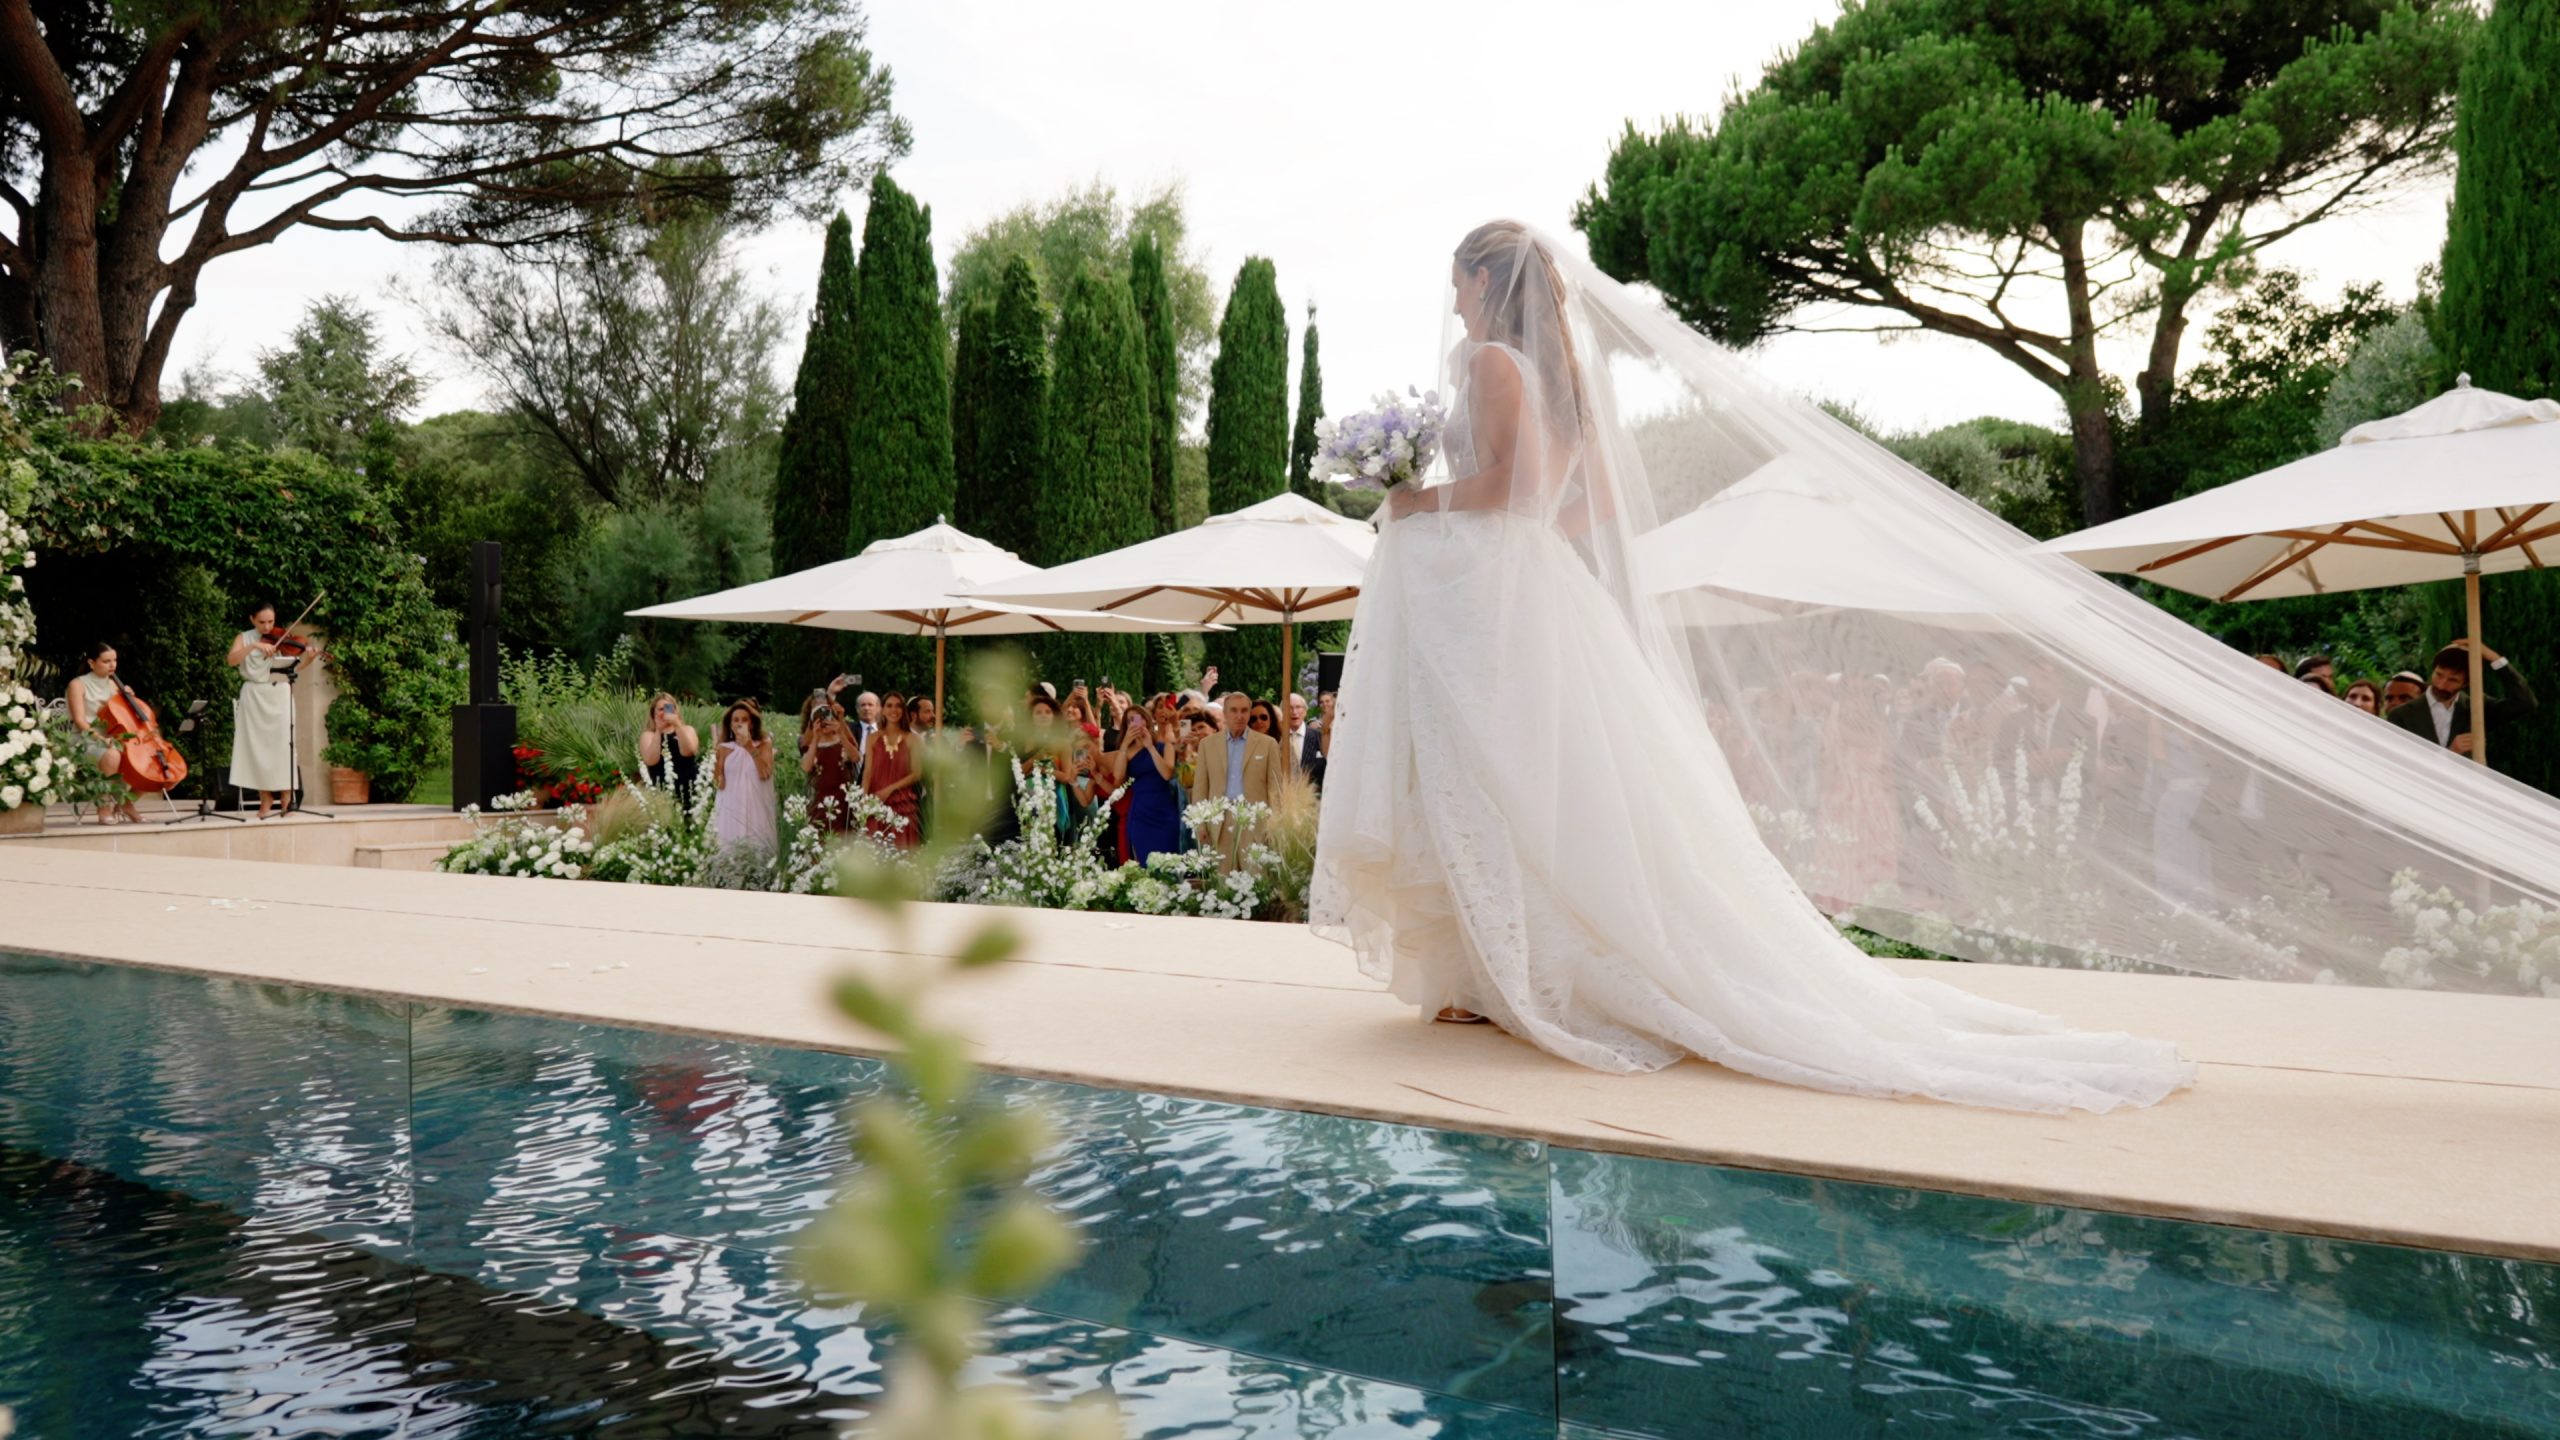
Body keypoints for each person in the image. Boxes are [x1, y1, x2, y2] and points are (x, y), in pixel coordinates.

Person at [1309, 220, 2192, 1114]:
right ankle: (1495, 970)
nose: (1452, 298)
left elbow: (1519, 488)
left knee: (1497, 772)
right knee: (1531, 777)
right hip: (1533, 588)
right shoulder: (1558, 377)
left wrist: (1419, 501)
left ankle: (1510, 973)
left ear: (1483, 279)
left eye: (1457, 280)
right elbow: (1589, 500)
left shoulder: (1492, 363)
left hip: (1501, 597)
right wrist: (1526, 543)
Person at [2387, 639, 2538, 756]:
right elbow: (2398, 763)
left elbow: (2524, 702)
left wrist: (2493, 658)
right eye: (2439, 675)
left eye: (2452, 680)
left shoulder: (2477, 708)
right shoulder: (2401, 715)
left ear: (2466, 683)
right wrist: (2451, 753)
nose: (2441, 685)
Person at [225, 601, 297, 819]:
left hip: (280, 694)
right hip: (254, 695)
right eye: (262, 622)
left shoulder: (281, 637)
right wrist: (254, 646)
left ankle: (287, 798)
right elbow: (231, 660)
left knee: (284, 745)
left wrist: (310, 657)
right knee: (258, 748)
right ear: (252, 619)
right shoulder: (244, 637)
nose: (267, 627)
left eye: (271, 622)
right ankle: (265, 798)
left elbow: (295, 667)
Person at [64, 642, 145, 825]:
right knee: (112, 754)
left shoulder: (115, 685)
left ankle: (127, 803)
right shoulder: (77, 685)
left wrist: (129, 700)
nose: (112, 665)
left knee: (149, 758)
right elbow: (80, 721)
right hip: (84, 739)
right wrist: (101, 739)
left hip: (112, 737)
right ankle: (104, 807)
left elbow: (122, 719)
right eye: (106, 661)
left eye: (114, 660)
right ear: (91, 663)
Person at [1119, 704, 1185, 862]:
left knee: (1170, 862)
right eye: (1130, 720)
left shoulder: (1165, 746)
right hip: (1140, 812)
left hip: (1164, 809)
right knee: (1144, 862)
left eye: (1139, 718)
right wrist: (1124, 744)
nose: (1135, 723)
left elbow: (1166, 774)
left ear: (1147, 721)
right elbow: (1118, 777)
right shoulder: (1127, 752)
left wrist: (1150, 747)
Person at [709, 700, 777, 853]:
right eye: (736, 720)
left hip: (756, 807)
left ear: (751, 724)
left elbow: (765, 774)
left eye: (744, 719)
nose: (740, 723)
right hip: (731, 807)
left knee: (757, 851)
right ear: (730, 724)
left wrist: (749, 746)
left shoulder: (764, 744)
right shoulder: (724, 748)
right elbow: (719, 784)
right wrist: (715, 759)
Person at [861, 692, 922, 848]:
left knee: (903, 849)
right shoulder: (872, 738)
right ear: (882, 709)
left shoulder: (913, 739)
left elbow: (917, 773)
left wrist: (889, 789)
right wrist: (862, 801)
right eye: (889, 705)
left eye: (898, 706)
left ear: (903, 710)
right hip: (876, 801)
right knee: (875, 851)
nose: (893, 710)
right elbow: (867, 772)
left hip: (902, 802)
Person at [799, 697, 858, 832]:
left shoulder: (842, 741)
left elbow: (855, 757)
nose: (825, 722)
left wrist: (840, 731)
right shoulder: (812, 745)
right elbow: (806, 767)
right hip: (820, 799)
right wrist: (816, 737)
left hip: (844, 798)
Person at [637, 692, 701, 806]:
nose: (665, 712)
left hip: (689, 787)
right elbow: (650, 760)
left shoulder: (687, 730)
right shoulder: (648, 735)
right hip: (661, 790)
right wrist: (658, 730)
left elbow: (689, 751)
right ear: (653, 713)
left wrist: (677, 725)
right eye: (660, 709)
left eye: (668, 708)